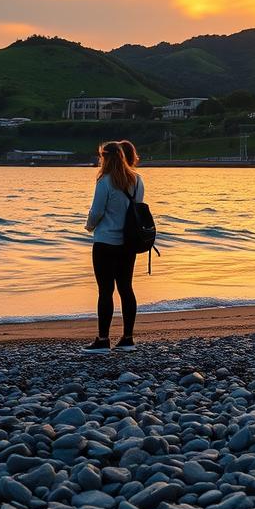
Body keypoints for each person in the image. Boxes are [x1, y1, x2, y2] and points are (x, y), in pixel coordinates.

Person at [83, 141, 144, 353]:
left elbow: (97, 212)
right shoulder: (137, 180)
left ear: (106, 157)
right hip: (128, 242)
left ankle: (103, 339)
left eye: (101, 156)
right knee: (126, 288)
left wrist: (89, 226)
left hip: (105, 242)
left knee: (105, 291)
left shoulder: (105, 182)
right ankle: (128, 338)